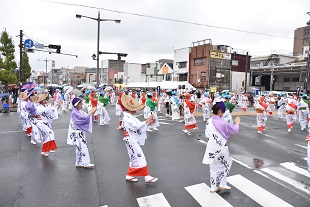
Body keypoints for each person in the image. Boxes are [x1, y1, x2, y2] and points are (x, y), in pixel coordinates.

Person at [202, 101, 240, 193]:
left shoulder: (209, 121)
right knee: (227, 163)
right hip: (222, 147)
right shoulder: (223, 123)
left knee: (213, 167)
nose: (223, 113)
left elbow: (207, 134)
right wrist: (237, 123)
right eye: (223, 111)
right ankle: (222, 183)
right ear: (219, 111)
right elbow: (234, 130)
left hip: (211, 147)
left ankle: (213, 187)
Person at [121, 94, 158, 183]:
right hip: (131, 139)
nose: (136, 111)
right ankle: (146, 176)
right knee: (139, 157)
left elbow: (139, 127)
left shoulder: (129, 116)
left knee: (134, 157)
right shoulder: (127, 117)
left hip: (131, 139)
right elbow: (136, 126)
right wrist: (148, 120)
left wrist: (149, 123)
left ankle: (130, 175)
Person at [67, 97, 97, 168]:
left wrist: (92, 113)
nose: (81, 105)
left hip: (80, 132)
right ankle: (86, 162)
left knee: (79, 148)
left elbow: (87, 117)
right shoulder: (75, 112)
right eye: (80, 104)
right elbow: (84, 118)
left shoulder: (78, 111)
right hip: (78, 132)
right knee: (83, 147)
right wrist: (91, 112)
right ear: (76, 105)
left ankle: (79, 162)